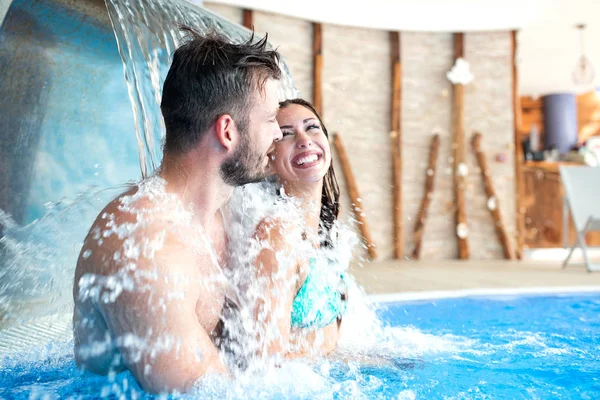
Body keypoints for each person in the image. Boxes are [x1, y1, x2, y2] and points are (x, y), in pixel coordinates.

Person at [72, 27, 283, 394]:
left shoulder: (225, 213)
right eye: (270, 120)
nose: (279, 134)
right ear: (227, 132)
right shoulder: (146, 252)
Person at [248, 98, 349, 361]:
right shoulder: (277, 235)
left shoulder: (325, 232)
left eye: (312, 127)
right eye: (286, 135)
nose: (304, 140)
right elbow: (266, 361)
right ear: (268, 160)